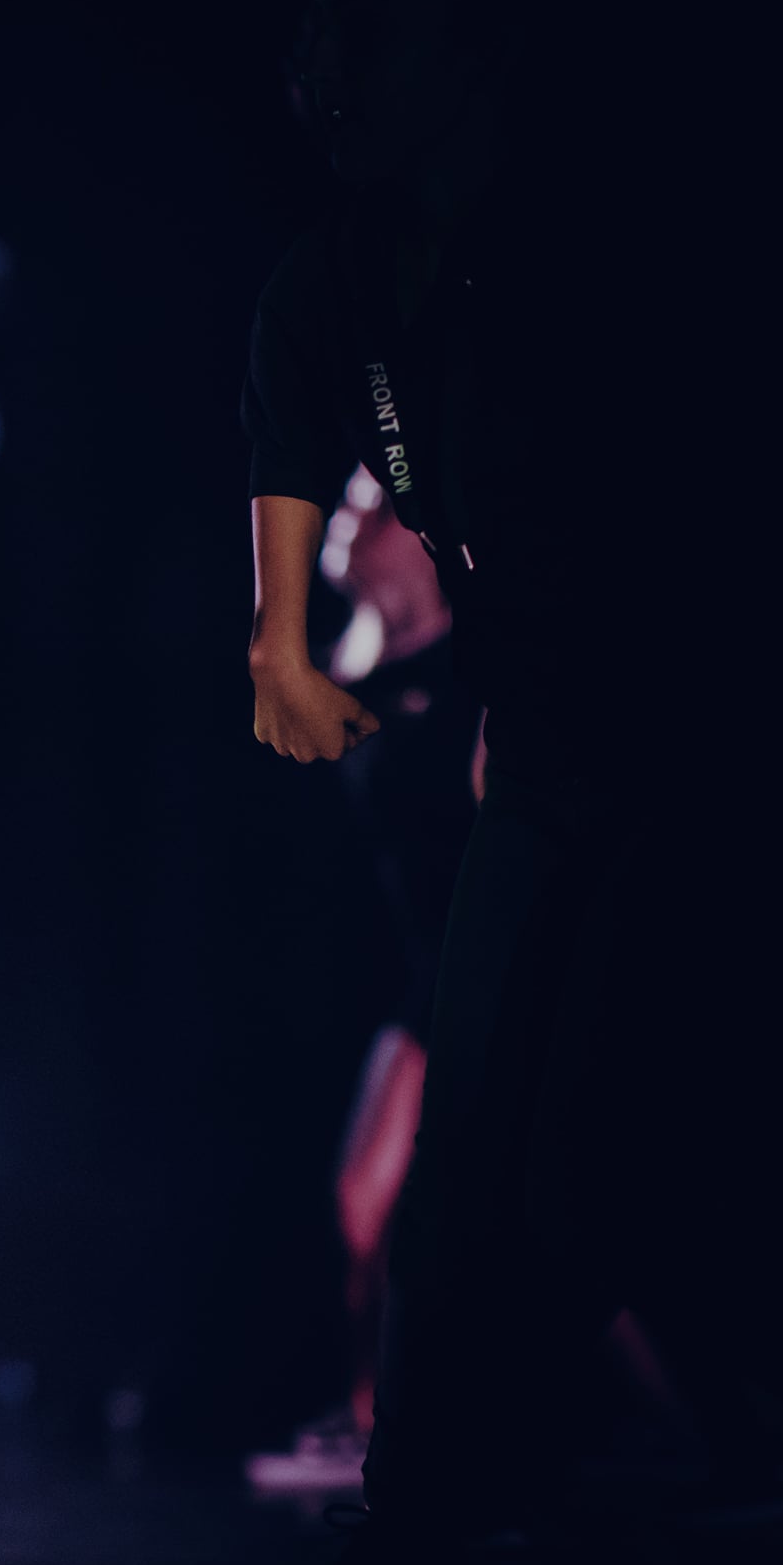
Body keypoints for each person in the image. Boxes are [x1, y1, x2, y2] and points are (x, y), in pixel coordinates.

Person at [236, 0, 783, 1565]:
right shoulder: (345, 277)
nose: (325, 76)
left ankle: (751, 1440)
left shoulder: (607, 235)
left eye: (365, 27)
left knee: (591, 1156)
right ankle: (434, 1507)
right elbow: (297, 437)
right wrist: (283, 641)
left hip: (711, 732)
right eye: (316, 37)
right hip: (551, 753)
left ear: (470, 53)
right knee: (463, 1165)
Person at [246, 469, 477, 1498]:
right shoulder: (354, 664)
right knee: (361, 1202)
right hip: (418, 972)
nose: (344, 520)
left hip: (480, 969)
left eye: (368, 506)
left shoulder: (476, 668)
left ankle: (739, 1446)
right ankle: (369, 1424)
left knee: (570, 1250)